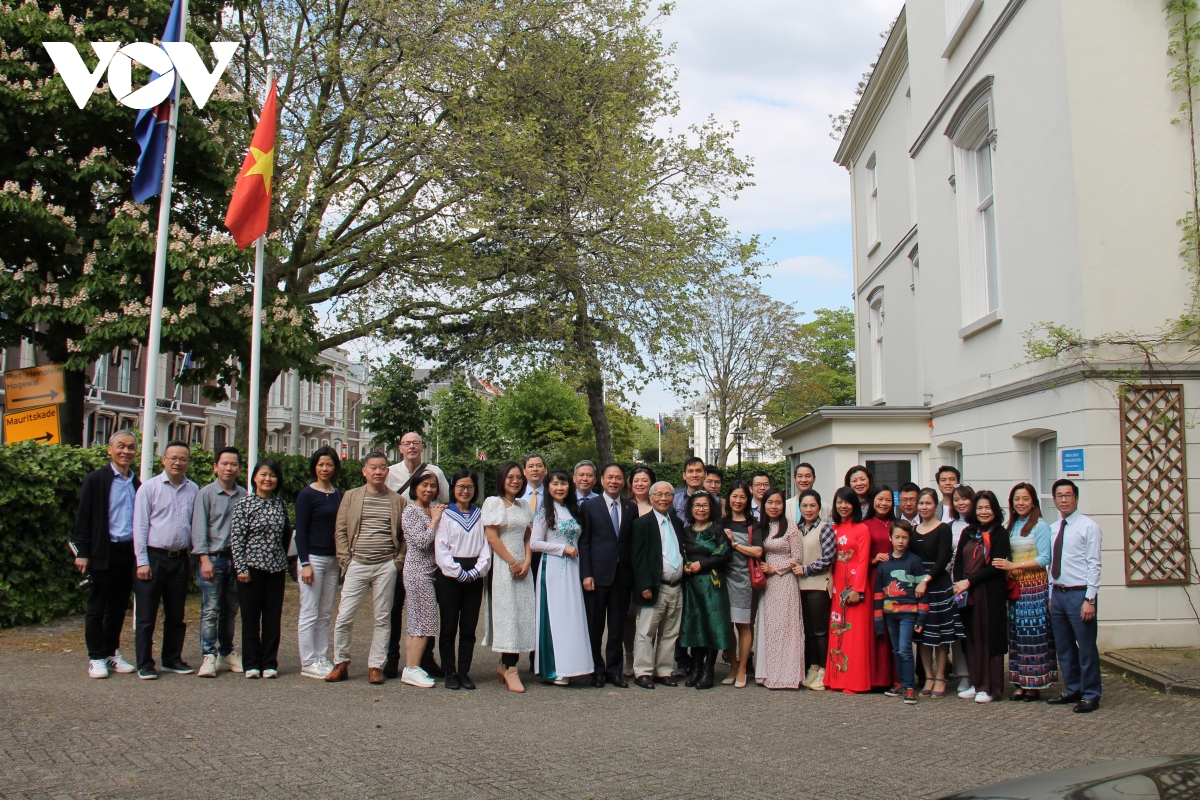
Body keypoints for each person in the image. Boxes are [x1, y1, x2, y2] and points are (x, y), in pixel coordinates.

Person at [326, 452, 406, 685]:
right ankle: (341, 662)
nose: (378, 472)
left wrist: (396, 563)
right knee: (344, 616)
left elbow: (404, 537)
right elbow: (340, 530)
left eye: (382, 468)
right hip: (357, 563)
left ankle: (375, 666)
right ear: (364, 471)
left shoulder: (397, 501)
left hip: (385, 566)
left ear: (387, 472)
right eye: (373, 468)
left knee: (382, 617)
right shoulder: (351, 497)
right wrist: (346, 561)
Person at [73, 430, 140, 678]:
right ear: (109, 450)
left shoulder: (136, 482)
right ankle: (96, 657)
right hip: (104, 550)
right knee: (97, 606)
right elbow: (84, 517)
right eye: (121, 446)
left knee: (118, 606)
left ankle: (111, 652)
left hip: (127, 552)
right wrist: (83, 552)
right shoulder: (96, 479)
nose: (126, 451)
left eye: (131, 447)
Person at [132, 439, 199, 679]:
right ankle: (145, 663)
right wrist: (142, 561)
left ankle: (172, 658)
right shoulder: (149, 488)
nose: (178, 463)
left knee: (176, 614)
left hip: (180, 558)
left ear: (188, 462)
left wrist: (192, 558)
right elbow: (139, 526)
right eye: (173, 458)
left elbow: (194, 526)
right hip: (154, 556)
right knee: (147, 615)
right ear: (164, 460)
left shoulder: (193, 489)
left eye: (183, 459)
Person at [383, 432, 446, 679]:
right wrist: (433, 522)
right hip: (399, 549)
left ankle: (422, 661)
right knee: (397, 607)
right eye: (407, 443)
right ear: (400, 448)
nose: (412, 447)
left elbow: (444, 502)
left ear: (423, 447)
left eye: (416, 443)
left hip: (425, 560)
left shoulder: (436, 471)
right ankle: (395, 659)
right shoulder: (390, 473)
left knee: (421, 616)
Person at [993, 482, 1056, 701]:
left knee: (1034, 636)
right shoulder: (1011, 527)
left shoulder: (1040, 526)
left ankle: (1035, 684)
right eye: (1017, 499)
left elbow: (1045, 558)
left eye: (1025, 499)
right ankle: (1020, 681)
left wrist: (1014, 566)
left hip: (1035, 588)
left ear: (1034, 502)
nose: (1021, 503)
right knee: (1017, 636)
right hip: (1016, 589)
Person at [1044, 479, 1102, 713]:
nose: (1064, 500)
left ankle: (1091, 694)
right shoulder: (1053, 528)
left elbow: (1094, 565)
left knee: (1086, 647)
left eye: (1068, 495)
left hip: (1079, 595)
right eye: (1059, 496)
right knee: (1064, 646)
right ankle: (1073, 689)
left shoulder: (1089, 527)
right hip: (1058, 594)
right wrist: (1050, 595)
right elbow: (1051, 565)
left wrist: (1090, 599)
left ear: (1076, 498)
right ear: (1055, 500)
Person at [230, 459, 291, 679]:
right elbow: (237, 539)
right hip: (250, 570)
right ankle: (252, 662)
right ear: (255, 477)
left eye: (272, 475)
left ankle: (270, 662)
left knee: (273, 618)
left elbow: (285, 536)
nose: (268, 479)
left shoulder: (280, 504)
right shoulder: (243, 505)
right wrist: (241, 568)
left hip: (275, 569)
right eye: (263, 474)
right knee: (250, 617)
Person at [530, 470, 593, 685]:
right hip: (553, 569)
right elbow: (534, 543)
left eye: (563, 483)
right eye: (555, 484)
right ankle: (554, 668)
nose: (559, 488)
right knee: (555, 616)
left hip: (574, 570)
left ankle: (572, 666)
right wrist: (562, 549)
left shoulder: (574, 511)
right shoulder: (544, 513)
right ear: (548, 487)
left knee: (572, 617)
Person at [191, 446, 247, 679]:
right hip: (212, 559)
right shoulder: (205, 494)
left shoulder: (244, 495)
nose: (229, 468)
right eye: (224, 463)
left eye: (233, 464)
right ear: (216, 466)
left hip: (236, 560)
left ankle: (226, 651)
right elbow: (199, 528)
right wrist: (203, 559)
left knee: (231, 610)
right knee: (211, 609)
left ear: (239, 468)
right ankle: (208, 654)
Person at [579, 462, 636, 687]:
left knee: (617, 627)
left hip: (622, 578)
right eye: (610, 477)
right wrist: (586, 574)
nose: (614, 481)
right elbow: (584, 543)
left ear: (624, 482)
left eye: (619, 478)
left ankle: (615, 671)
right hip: (597, 576)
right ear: (601, 480)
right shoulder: (590, 506)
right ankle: (596, 670)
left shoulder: (631, 508)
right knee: (594, 626)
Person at [434, 470, 491, 690]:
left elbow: (487, 546)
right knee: (449, 625)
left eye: (469, 487)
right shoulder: (445, 514)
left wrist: (476, 571)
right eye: (460, 487)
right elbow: (441, 547)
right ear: (453, 488)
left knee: (469, 627)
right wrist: (458, 572)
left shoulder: (481, 514)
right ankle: (449, 671)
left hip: (474, 573)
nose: (465, 491)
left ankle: (464, 671)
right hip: (450, 575)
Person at [952, 490, 1011, 704]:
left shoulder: (1000, 534)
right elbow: (959, 561)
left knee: (988, 639)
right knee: (971, 638)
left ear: (994, 510)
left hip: (989, 593)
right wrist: (959, 584)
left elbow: (995, 565)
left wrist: (969, 582)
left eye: (987, 507)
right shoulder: (968, 532)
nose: (984, 511)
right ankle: (976, 682)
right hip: (968, 595)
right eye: (980, 508)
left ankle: (989, 686)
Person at [482, 462, 535, 693]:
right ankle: (511, 668)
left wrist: (526, 561)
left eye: (518, 478)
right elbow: (492, 537)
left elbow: (528, 536)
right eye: (510, 477)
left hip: (523, 567)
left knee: (523, 614)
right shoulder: (494, 503)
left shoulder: (524, 506)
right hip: (503, 568)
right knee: (508, 615)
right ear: (502, 480)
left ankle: (505, 665)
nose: (515, 481)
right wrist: (512, 563)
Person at [629, 481, 686, 689]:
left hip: (676, 587)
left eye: (668, 495)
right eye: (659, 495)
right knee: (646, 631)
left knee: (670, 632)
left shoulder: (677, 523)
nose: (663, 498)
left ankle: (664, 671)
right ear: (651, 498)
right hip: (654, 586)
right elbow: (638, 558)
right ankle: (643, 672)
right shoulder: (642, 524)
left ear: (673, 498)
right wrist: (644, 584)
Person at [295, 446, 343, 679]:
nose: (325, 468)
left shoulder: (337, 494)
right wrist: (304, 563)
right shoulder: (307, 495)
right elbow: (300, 532)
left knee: (325, 612)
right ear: (315, 466)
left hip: (333, 560)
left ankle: (322, 657)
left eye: (329, 464)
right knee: (309, 611)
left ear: (335, 468)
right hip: (313, 559)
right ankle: (308, 661)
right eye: (321, 464)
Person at [678, 492, 733, 690]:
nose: (701, 509)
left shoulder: (718, 530)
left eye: (705, 506)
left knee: (712, 626)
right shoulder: (685, 531)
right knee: (695, 625)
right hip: (691, 586)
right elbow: (679, 553)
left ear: (712, 509)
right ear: (690, 509)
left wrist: (702, 564)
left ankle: (709, 670)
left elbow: (724, 554)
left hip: (712, 584)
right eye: (697, 506)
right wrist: (685, 565)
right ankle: (695, 667)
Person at [912, 487, 962, 698]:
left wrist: (926, 580)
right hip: (918, 587)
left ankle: (941, 677)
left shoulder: (943, 528)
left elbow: (943, 560)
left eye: (928, 503)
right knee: (922, 635)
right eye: (921, 503)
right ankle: (928, 676)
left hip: (937, 584)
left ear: (936, 506)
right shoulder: (913, 530)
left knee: (940, 635)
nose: (924, 507)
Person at [755, 488, 806, 690]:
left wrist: (775, 569)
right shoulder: (761, 528)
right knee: (768, 628)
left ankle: (788, 674)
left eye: (777, 502)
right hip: (766, 585)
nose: (773, 506)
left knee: (786, 627)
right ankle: (766, 673)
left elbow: (797, 558)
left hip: (784, 582)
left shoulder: (791, 528)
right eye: (770, 503)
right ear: (764, 505)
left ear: (783, 505)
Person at [399, 470, 446, 688]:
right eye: (424, 485)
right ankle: (412, 669)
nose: (429, 490)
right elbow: (422, 541)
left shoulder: (431, 509)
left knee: (417, 621)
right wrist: (435, 521)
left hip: (429, 572)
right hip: (418, 572)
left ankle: (412, 667)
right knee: (424, 622)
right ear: (415, 487)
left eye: (432, 486)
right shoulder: (411, 511)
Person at [873, 520, 927, 705]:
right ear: (890, 538)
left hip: (908, 614)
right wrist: (878, 618)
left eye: (904, 537)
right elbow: (878, 592)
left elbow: (922, 591)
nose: (901, 541)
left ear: (909, 539)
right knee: (896, 649)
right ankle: (902, 683)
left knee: (905, 649)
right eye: (897, 537)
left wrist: (922, 615)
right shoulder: (884, 564)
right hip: (890, 614)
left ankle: (910, 686)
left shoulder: (914, 561)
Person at [826, 487, 871, 694]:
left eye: (847, 502)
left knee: (855, 635)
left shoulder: (861, 529)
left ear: (855, 505)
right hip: (836, 587)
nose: (843, 506)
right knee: (837, 631)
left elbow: (863, 561)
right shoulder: (831, 528)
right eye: (839, 502)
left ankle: (855, 681)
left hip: (854, 588)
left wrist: (858, 590)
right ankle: (835, 678)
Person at [721, 481, 763, 687]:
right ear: (729, 498)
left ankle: (744, 668)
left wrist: (734, 544)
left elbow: (758, 551)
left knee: (744, 626)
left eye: (742, 497)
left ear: (748, 500)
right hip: (723, 580)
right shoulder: (721, 523)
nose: (738, 501)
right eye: (734, 496)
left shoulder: (752, 524)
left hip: (744, 580)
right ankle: (732, 668)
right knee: (727, 626)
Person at [794, 489, 836, 690]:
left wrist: (806, 569)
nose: (808, 509)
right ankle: (813, 666)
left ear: (819, 507)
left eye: (812, 505)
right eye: (804, 505)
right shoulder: (797, 528)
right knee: (808, 631)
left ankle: (824, 671)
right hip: (800, 586)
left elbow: (828, 557)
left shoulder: (825, 529)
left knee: (820, 631)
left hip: (818, 586)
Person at [623, 464, 658, 676]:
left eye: (644, 480)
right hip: (628, 569)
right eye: (636, 480)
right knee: (628, 616)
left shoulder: (661, 506)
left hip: (652, 571)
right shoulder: (626, 507)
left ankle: (646, 657)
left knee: (650, 616)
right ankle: (629, 657)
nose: (640, 484)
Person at [863, 485, 899, 692]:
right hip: (874, 578)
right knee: (875, 628)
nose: (883, 503)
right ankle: (875, 677)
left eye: (887, 500)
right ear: (872, 501)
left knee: (893, 627)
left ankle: (895, 676)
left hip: (895, 582)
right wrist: (873, 559)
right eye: (879, 499)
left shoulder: (897, 524)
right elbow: (858, 557)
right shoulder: (865, 525)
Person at [947, 483, 976, 692]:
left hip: (976, 582)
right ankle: (963, 674)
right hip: (955, 584)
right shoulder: (950, 526)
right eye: (956, 499)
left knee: (976, 630)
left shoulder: (980, 524)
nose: (960, 503)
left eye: (964, 499)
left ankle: (979, 672)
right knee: (958, 630)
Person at [673, 457, 720, 524]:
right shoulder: (675, 500)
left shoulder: (715, 500)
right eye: (690, 471)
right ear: (684, 475)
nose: (694, 475)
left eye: (698, 471)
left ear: (705, 474)